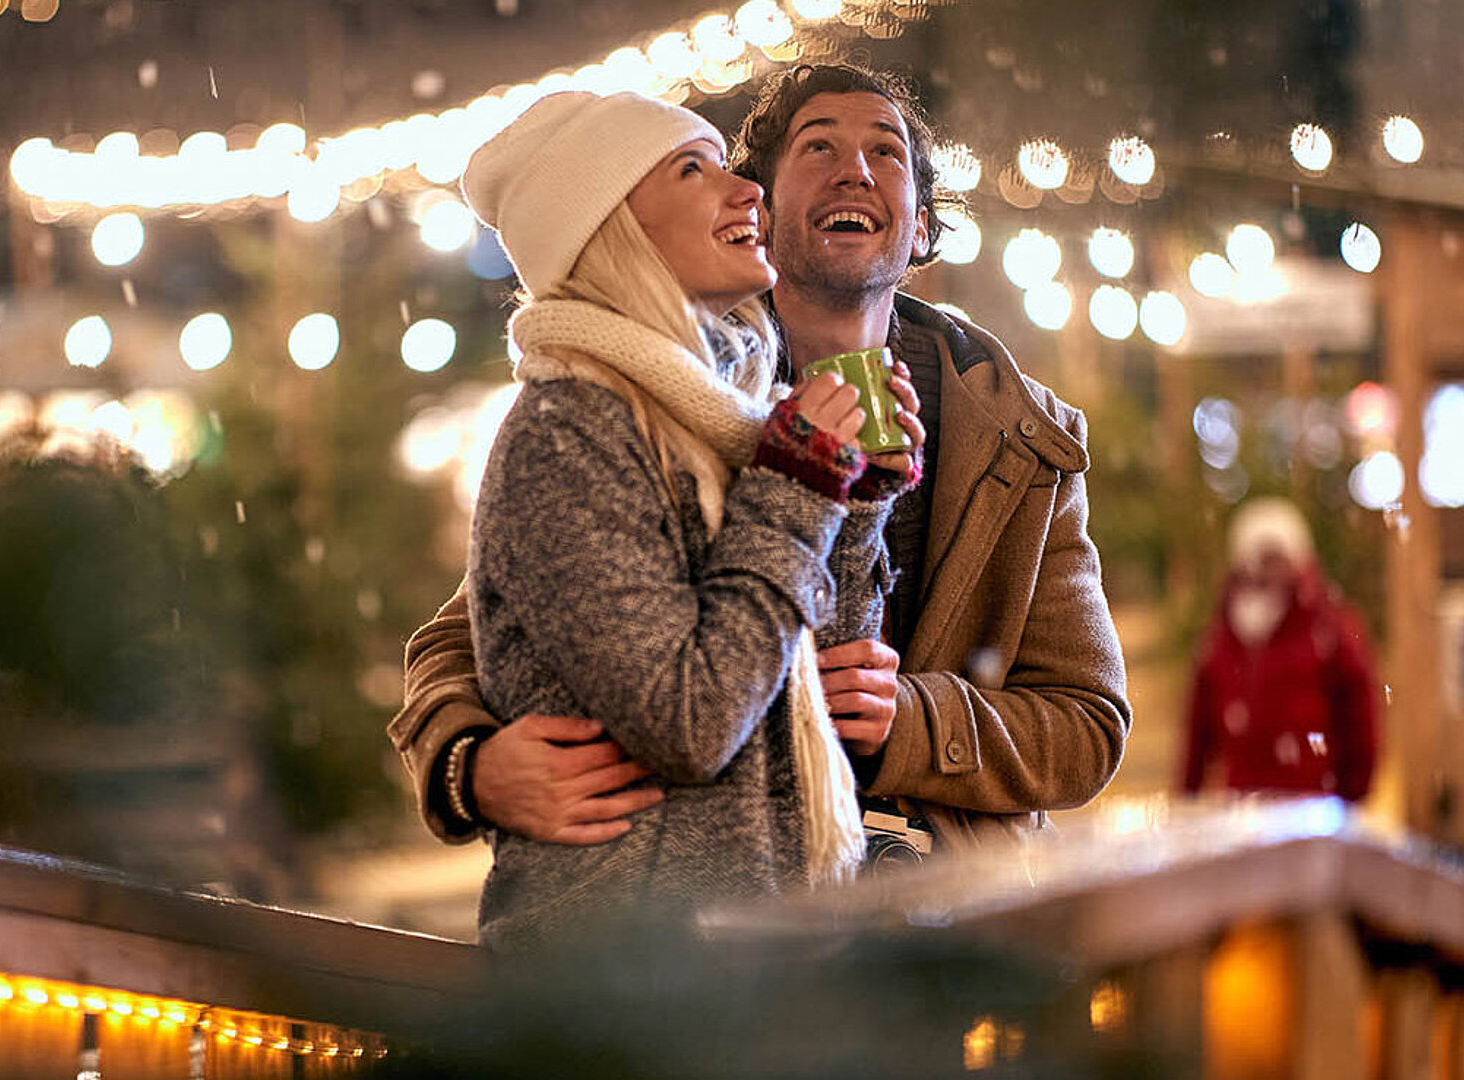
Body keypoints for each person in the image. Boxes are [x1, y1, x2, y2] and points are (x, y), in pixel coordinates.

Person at [391, 63, 1130, 861]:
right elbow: (478, 631)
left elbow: (1087, 725)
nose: (855, 170)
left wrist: (912, 723)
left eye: (886, 154)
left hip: (947, 907)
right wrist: (469, 766)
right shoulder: (662, 398)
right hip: (728, 910)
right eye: (818, 148)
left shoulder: (1019, 438)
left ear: (920, 227)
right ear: (762, 214)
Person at [452, 89, 918, 950]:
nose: (747, 191)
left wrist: (852, 504)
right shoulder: (567, 436)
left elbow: (805, 679)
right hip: (633, 982)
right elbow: (694, 724)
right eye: (693, 170)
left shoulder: (723, 415)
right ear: (612, 232)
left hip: (755, 960)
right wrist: (801, 487)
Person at [1179, 496, 1379, 802]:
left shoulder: (1329, 630)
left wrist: (1354, 796)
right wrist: (1186, 797)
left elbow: (1359, 714)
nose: (1270, 569)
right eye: (1261, 557)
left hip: (1313, 802)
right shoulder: (1224, 637)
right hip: (1241, 803)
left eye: (1278, 557)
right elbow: (1198, 727)